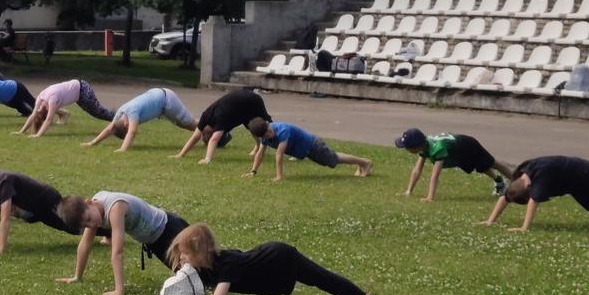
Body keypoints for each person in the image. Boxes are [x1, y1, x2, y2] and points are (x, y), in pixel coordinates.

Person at [156, 224, 385, 295]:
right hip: (268, 266)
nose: (182, 259)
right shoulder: (200, 266)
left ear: (200, 251)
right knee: (321, 281)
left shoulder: (225, 264)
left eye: (185, 254)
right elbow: (184, 287)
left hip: (279, 260)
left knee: (322, 278)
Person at [54, 190, 191, 295]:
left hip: (170, 230)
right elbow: (84, 245)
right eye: (86, 225)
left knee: (202, 271)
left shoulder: (115, 208)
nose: (92, 225)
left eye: (89, 219)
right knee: (189, 276)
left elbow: (117, 252)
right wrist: (77, 276)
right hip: (154, 242)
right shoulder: (94, 210)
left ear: (89, 202)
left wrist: (119, 290)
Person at [0, 167, 72, 255]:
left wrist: (0, 248)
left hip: (46, 202)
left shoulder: (2, 184)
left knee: (71, 225)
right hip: (34, 210)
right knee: (70, 225)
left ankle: (88, 216)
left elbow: (5, 219)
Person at [396, 128, 515, 201]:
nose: (406, 149)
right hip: (457, 153)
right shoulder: (424, 146)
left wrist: (430, 197)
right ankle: (500, 182)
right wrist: (409, 191)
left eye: (407, 147)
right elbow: (417, 170)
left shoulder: (437, 148)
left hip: (467, 145)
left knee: (492, 164)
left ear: (416, 146)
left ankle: (517, 180)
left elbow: (435, 175)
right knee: (481, 167)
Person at [243, 117, 372, 180]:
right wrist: (253, 172)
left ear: (268, 124)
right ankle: (360, 163)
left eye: (269, 131)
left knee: (333, 159)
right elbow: (260, 152)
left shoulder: (282, 130)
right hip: (307, 150)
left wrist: (279, 176)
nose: (270, 135)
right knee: (333, 159)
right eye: (266, 135)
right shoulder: (265, 137)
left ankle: (365, 163)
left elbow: (279, 154)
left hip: (313, 146)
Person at [82, 87, 197, 151]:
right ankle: (208, 128)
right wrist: (93, 142)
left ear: (126, 126)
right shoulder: (120, 114)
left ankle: (210, 126)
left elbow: (132, 131)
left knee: (190, 125)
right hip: (158, 97)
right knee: (185, 125)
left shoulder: (132, 111)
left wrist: (123, 149)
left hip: (167, 99)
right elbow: (110, 129)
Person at [174, 87, 272, 163]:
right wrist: (181, 155)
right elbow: (200, 137)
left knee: (267, 124)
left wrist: (206, 159)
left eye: (203, 134)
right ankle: (258, 147)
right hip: (240, 105)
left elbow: (211, 139)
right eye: (205, 135)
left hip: (252, 99)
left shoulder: (213, 117)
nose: (202, 133)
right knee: (252, 126)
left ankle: (282, 141)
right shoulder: (213, 119)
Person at [17, 77, 115, 137]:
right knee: (96, 113)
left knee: (98, 112)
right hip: (77, 93)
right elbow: (33, 115)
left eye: (42, 107)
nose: (40, 107)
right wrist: (21, 131)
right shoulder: (42, 98)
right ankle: (116, 120)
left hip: (82, 88)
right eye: (42, 109)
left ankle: (118, 118)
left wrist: (38, 135)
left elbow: (49, 119)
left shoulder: (51, 99)